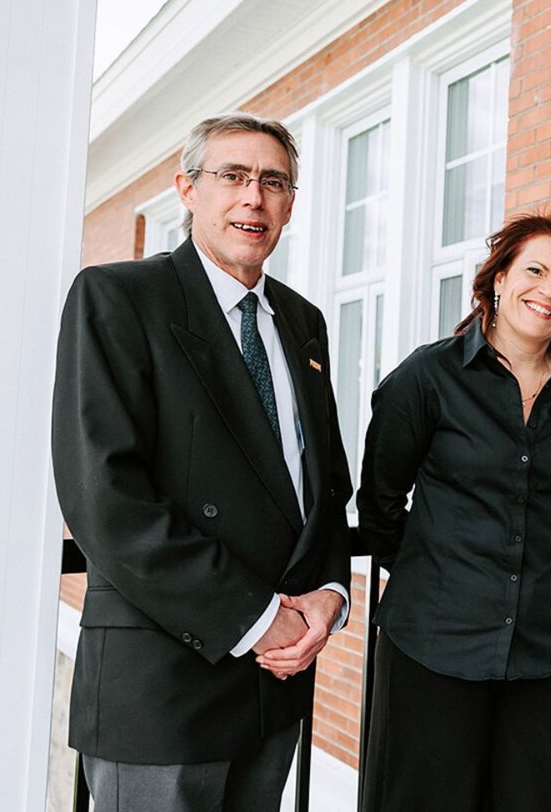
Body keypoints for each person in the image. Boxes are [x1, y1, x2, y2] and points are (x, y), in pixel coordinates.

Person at [52, 112, 354, 811]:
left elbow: (325, 487)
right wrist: (256, 618)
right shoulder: (118, 297)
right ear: (188, 189)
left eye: (274, 182)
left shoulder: (303, 321)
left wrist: (331, 595)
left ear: (290, 204)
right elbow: (107, 500)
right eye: (234, 176)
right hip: (162, 683)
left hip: (273, 686)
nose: (254, 197)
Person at [357, 214, 551, 811]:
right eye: (535, 271)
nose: (549, 292)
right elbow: (379, 503)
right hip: (432, 647)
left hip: (541, 653)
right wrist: (437, 574)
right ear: (499, 278)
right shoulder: (428, 376)